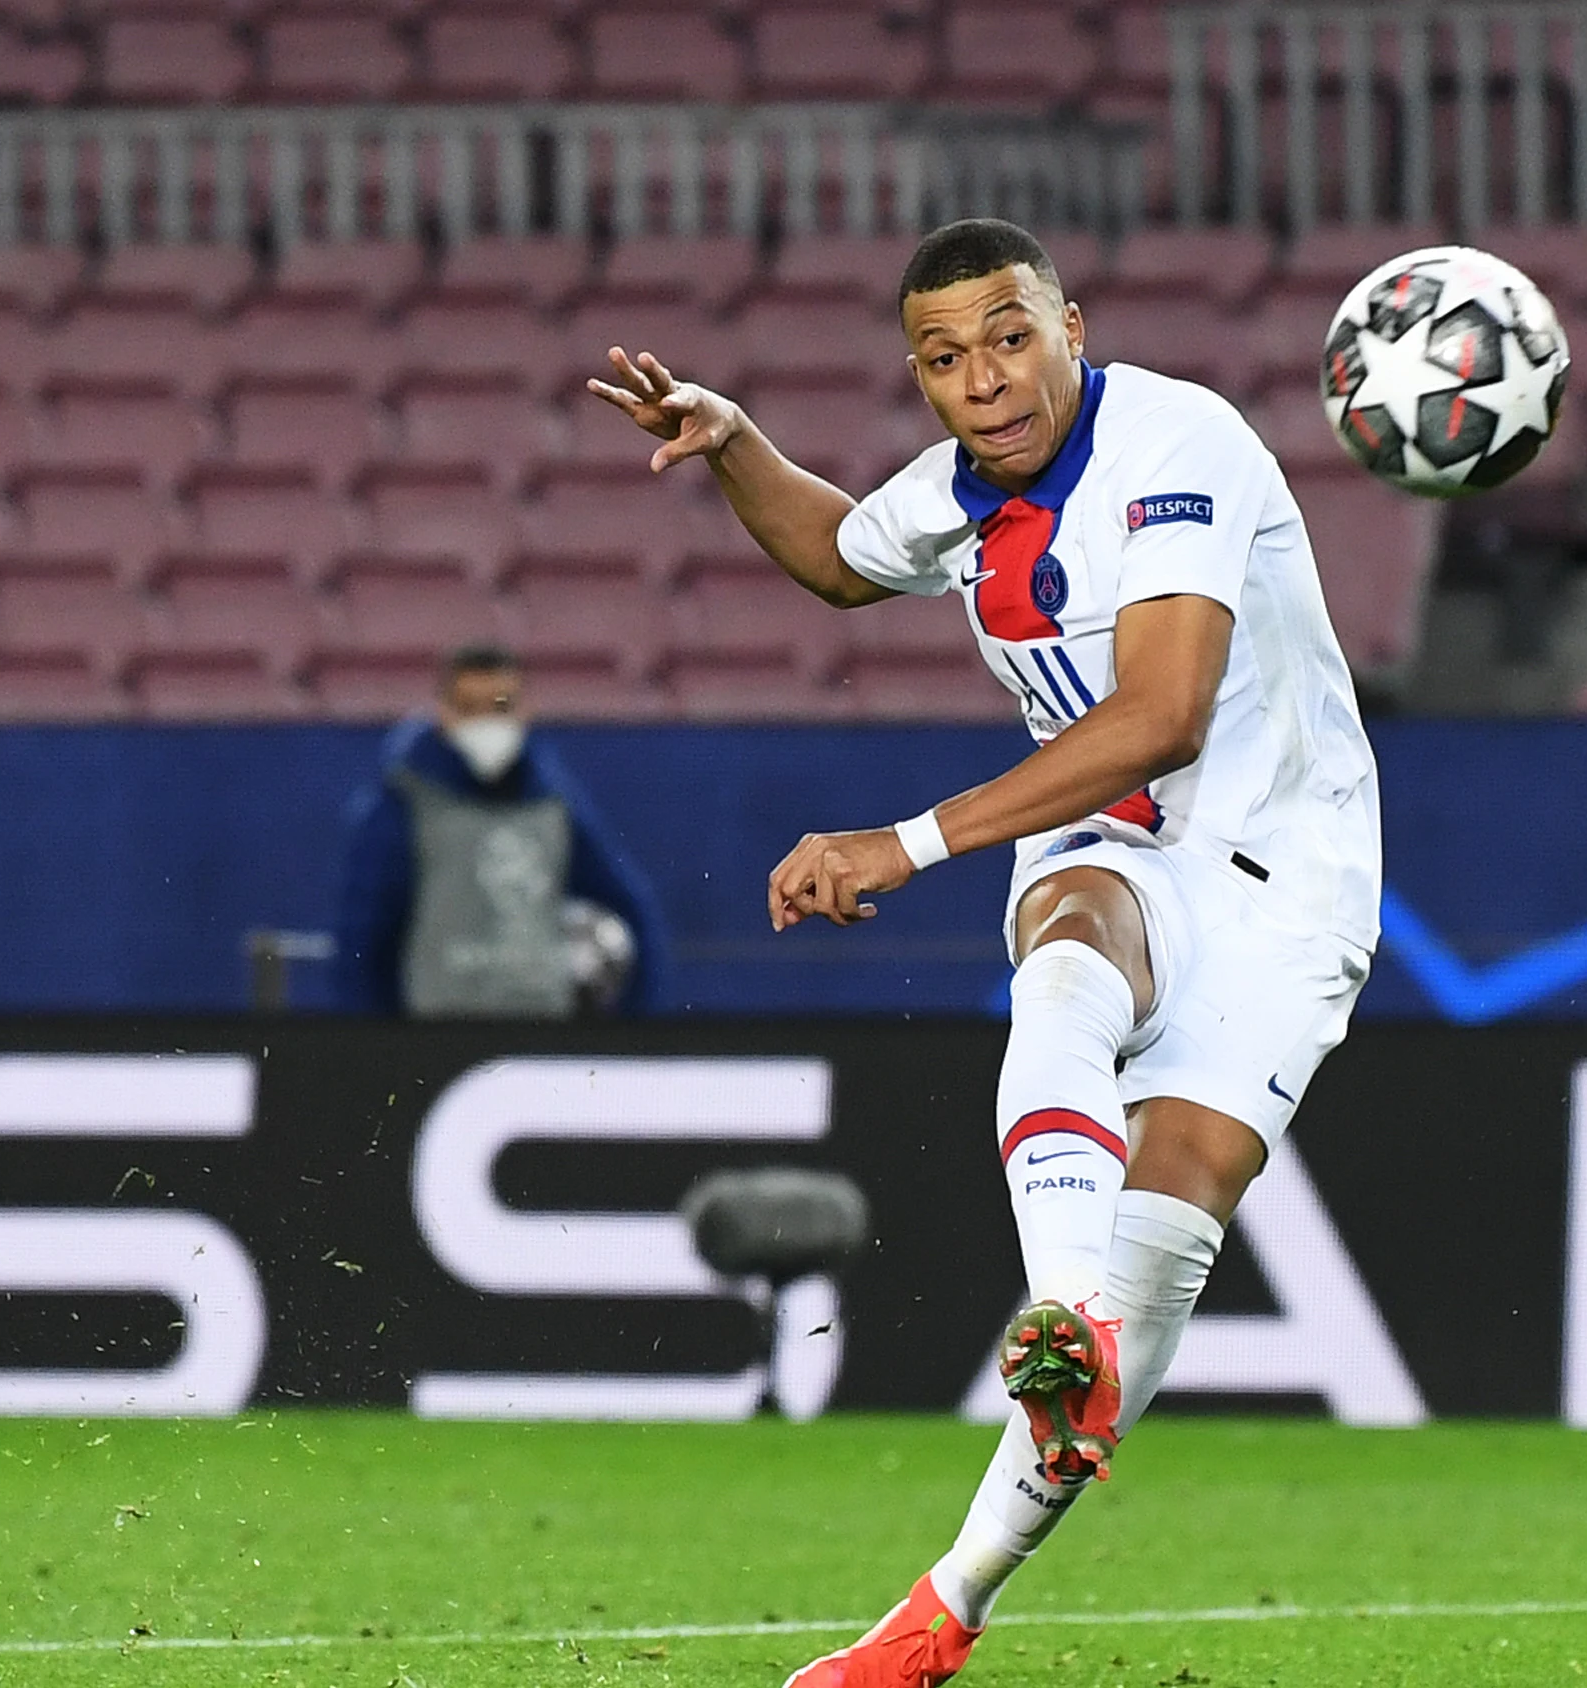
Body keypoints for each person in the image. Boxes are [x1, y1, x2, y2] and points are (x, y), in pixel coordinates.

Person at [589, 217, 1380, 1687]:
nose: (987, 379)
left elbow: (1162, 715)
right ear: (923, 378)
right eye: (946, 358)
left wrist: (901, 843)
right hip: (1114, 847)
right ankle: (1065, 1313)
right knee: (1069, 945)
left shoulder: (1177, 445)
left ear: (1073, 324)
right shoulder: (961, 490)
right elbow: (835, 555)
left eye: (1011, 336)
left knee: (1179, 1208)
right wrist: (736, 439)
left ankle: (943, 1608)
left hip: (1289, 873)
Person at [331, 642, 671, 1019]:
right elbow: (362, 939)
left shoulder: (553, 805)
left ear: (526, 710)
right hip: (439, 1030)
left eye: (501, 705)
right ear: (443, 711)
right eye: (469, 707)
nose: (485, 721)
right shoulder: (406, 803)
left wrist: (638, 1019)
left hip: (539, 1030)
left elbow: (631, 905)